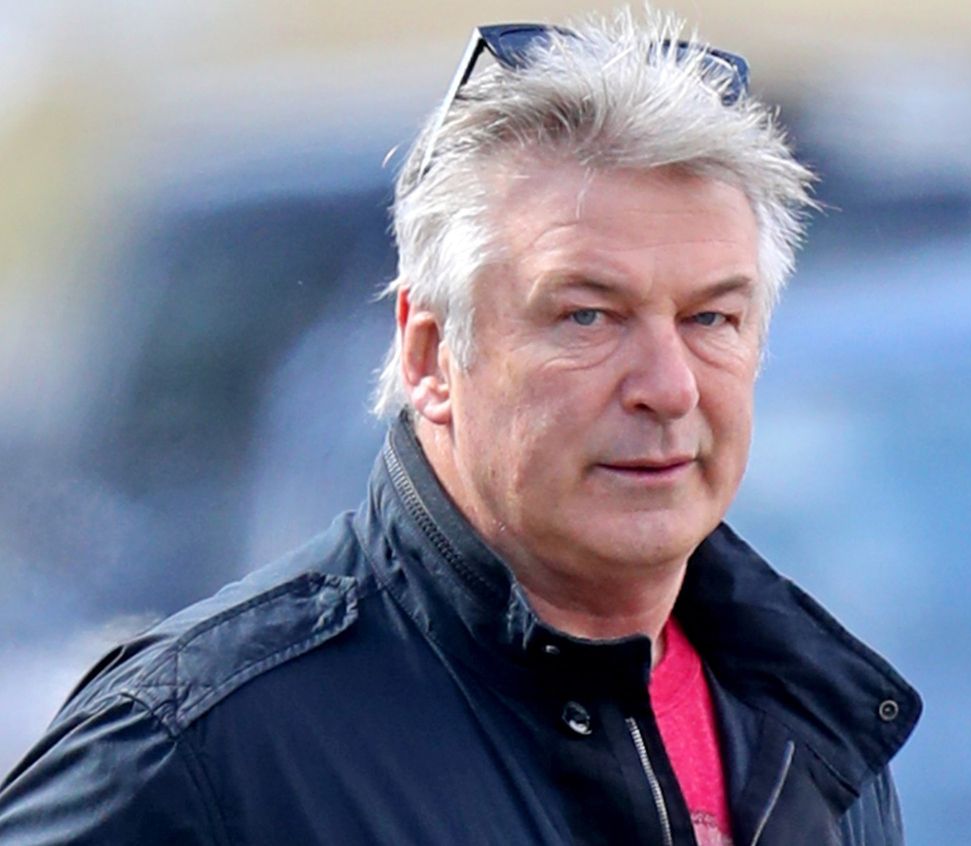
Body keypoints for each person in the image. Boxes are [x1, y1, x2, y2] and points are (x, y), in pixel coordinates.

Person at [0, 10, 920, 845]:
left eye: (711, 318)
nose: (668, 388)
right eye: (586, 316)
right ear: (430, 354)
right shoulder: (199, 752)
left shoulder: (807, 721)